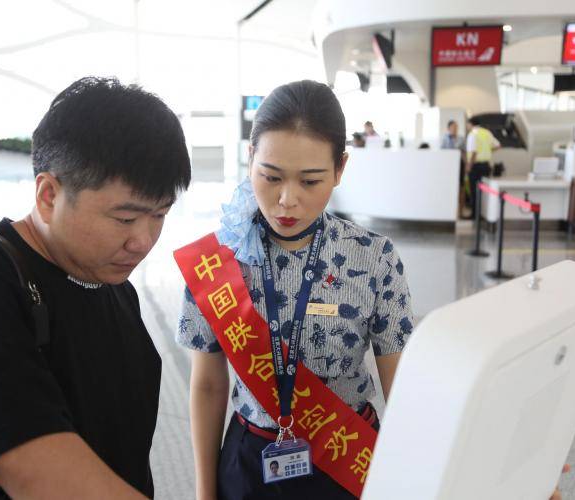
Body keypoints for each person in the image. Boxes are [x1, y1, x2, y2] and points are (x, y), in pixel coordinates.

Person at [0, 76, 191, 499]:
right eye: (125, 219)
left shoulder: (110, 286)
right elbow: (35, 473)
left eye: (159, 215)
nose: (142, 241)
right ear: (49, 194)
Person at [176, 80, 414, 500]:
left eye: (310, 181)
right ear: (250, 158)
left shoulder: (374, 258)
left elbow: (400, 385)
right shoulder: (218, 261)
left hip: (346, 459)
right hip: (249, 464)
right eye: (271, 177)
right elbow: (209, 385)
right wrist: (203, 492)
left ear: (340, 169)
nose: (287, 200)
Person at [465, 116, 501, 218]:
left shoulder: (472, 134)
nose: (467, 126)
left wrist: (469, 166)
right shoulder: (487, 133)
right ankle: (483, 214)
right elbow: (498, 145)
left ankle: (474, 214)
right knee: (484, 191)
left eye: (467, 124)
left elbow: (473, 152)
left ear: (471, 124)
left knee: (474, 190)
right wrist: (488, 152)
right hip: (486, 166)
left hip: (475, 166)